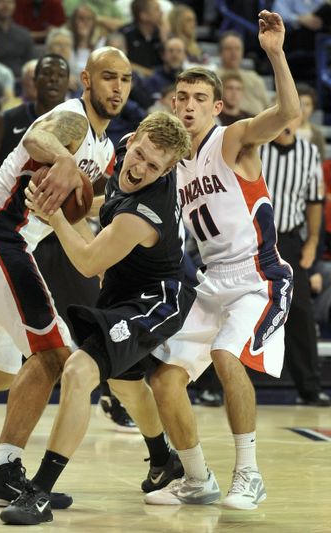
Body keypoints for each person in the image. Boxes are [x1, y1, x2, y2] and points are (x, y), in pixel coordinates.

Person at [0, 46, 132, 507]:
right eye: (107, 77)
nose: (117, 87)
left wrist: (101, 249)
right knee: (53, 356)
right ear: (86, 80)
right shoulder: (71, 118)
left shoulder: (103, 150)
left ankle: (3, 467)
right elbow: (40, 136)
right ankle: (3, 471)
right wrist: (62, 158)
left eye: (124, 79)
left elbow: (78, 209)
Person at [0, 110, 196, 525]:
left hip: (154, 300)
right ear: (136, 136)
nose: (139, 168)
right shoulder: (129, 153)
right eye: (139, 154)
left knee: (78, 371)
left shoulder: (144, 214)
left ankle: (40, 492)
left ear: (169, 169)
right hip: (123, 289)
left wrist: (54, 213)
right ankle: (164, 462)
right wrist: (87, 202)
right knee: (124, 383)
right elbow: (111, 203)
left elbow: (88, 263)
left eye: (153, 166)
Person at [142, 10, 299, 510]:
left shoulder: (231, 139)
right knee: (164, 379)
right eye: (182, 98)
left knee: (226, 356)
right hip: (213, 281)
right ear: (173, 104)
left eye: (199, 99)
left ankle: (249, 475)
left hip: (259, 276)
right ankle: (196, 478)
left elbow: (288, 114)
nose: (189, 106)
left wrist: (275, 53)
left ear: (218, 105)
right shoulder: (176, 165)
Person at [260, 117, 331, 406]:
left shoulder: (309, 153)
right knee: (234, 306)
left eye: (293, 117)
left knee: (300, 310)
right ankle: (211, 387)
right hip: (252, 239)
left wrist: (312, 241)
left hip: (289, 239)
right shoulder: (256, 148)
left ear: (299, 121)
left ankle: (309, 389)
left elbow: (315, 201)